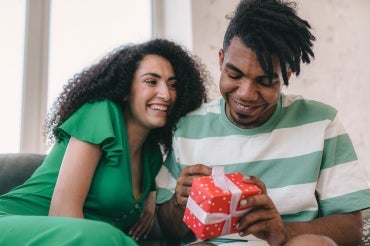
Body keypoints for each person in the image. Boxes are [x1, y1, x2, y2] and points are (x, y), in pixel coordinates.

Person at [155, 0, 370, 245]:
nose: (246, 93)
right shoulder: (188, 129)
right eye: (234, 74)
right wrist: (179, 203)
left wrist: (285, 232)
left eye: (266, 81)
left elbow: (352, 229)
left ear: (286, 75)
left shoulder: (321, 124)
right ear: (221, 60)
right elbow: (165, 230)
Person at [0, 38, 208, 245]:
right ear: (126, 90)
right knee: (108, 236)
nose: (166, 94)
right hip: (12, 225)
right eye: (151, 81)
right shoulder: (100, 113)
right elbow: (63, 212)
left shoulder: (152, 157)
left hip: (80, 238)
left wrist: (151, 196)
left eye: (172, 85)